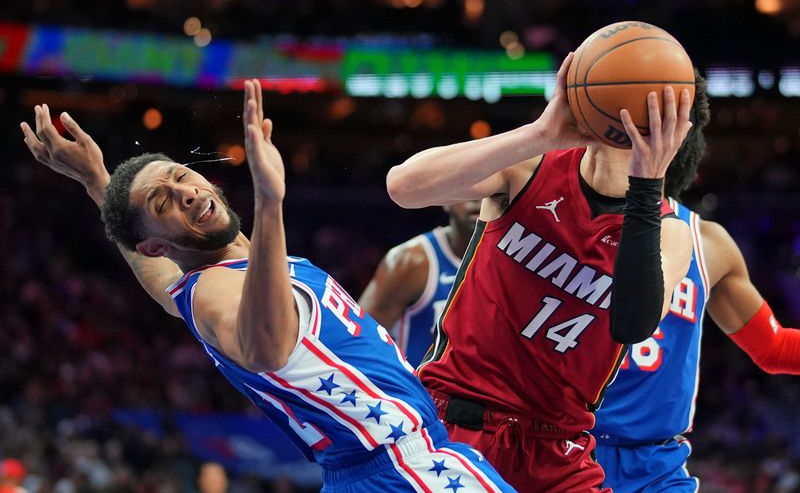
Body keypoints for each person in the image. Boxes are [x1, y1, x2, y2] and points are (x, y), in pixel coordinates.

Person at [21, 81, 514, 492]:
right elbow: (265, 348)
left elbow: (154, 272)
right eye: (162, 201)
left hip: (383, 471)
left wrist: (95, 179)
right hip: (406, 470)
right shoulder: (218, 291)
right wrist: (270, 201)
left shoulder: (194, 281)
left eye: (179, 176)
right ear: (156, 243)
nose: (186, 192)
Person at [385, 49, 695, 492]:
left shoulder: (669, 232)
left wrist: (646, 185)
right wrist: (540, 133)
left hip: (554, 451)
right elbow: (402, 187)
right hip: (449, 425)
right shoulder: (528, 168)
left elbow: (633, 323)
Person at [592, 73, 800, 492]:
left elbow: (773, 346)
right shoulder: (561, 218)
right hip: (563, 449)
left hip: (656, 464)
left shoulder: (709, 244)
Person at [359, 201, 480, 367]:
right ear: (446, 200)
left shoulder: (517, 264)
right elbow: (358, 339)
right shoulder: (410, 261)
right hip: (414, 389)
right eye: (468, 187)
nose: (477, 198)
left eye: (487, 188)